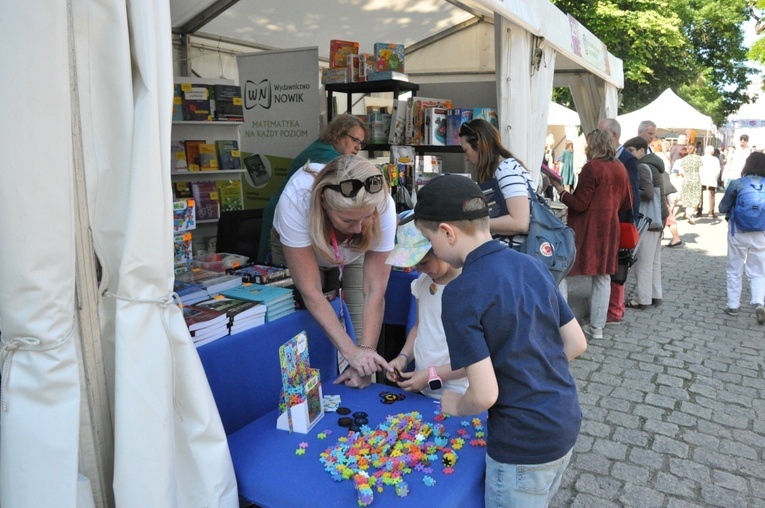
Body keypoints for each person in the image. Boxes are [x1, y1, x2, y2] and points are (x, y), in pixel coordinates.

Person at [411, 174, 587, 507]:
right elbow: (576, 343)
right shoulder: (531, 265)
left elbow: (484, 394)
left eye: (428, 239)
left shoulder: (461, 292)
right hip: (563, 420)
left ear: (447, 233)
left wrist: (453, 405)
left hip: (521, 445)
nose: (430, 248)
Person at [271, 155, 396, 388]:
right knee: (305, 324)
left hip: (351, 254)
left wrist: (365, 356)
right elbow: (310, 290)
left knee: (359, 328)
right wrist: (350, 353)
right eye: (348, 220)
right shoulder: (297, 198)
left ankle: (355, 380)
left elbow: (374, 290)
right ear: (324, 205)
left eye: (367, 217)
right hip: (302, 248)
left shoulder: (383, 204)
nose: (358, 228)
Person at [552, 129, 632, 339]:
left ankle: (564, 326)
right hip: (609, 228)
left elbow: (580, 204)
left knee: (563, 270)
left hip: (588, 229)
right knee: (603, 276)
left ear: (593, 145)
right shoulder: (620, 167)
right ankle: (597, 327)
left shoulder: (592, 168)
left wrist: (560, 190)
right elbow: (626, 202)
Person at [258, 114, 368, 262]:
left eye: (361, 143)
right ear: (338, 135)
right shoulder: (326, 156)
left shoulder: (324, 150)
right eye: (355, 140)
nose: (358, 147)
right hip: (286, 214)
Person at [384, 211, 468, 399]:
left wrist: (432, 375)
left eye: (423, 262)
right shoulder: (422, 283)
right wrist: (403, 357)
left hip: (460, 395)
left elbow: (476, 359)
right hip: (425, 390)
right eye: (414, 264)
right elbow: (419, 327)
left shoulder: (468, 288)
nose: (418, 269)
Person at [458, 119, 532, 249]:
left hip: (517, 252)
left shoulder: (506, 170)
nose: (466, 157)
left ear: (479, 145)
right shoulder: (501, 170)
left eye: (466, 150)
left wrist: (475, 224)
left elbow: (521, 223)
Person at [598, 118, 639, 325]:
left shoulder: (627, 159)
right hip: (609, 222)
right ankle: (610, 308)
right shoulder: (613, 157)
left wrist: (627, 222)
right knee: (611, 266)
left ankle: (615, 310)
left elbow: (631, 197)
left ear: (613, 135)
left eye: (601, 132)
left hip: (620, 222)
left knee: (618, 266)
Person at [718, 151, 765, 325]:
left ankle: (733, 305)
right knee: (758, 271)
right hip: (761, 233)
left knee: (734, 268)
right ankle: (759, 302)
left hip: (738, 231)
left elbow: (723, 207)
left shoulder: (738, 184)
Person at [623, 136, 668, 309]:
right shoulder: (656, 164)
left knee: (643, 263)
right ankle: (656, 295)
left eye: (632, 150)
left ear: (642, 150)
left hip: (648, 220)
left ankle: (642, 299)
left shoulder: (642, 166)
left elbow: (648, 193)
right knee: (654, 262)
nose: (630, 154)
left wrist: (631, 193)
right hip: (659, 218)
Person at [651, 138, 682, 247]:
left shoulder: (656, 156)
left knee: (667, 213)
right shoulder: (664, 156)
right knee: (666, 211)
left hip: (659, 187)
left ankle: (676, 237)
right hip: (663, 186)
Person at [679, 144, 703, 224]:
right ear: (695, 149)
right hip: (695, 177)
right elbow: (701, 168)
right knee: (696, 197)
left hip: (687, 178)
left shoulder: (684, 159)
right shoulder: (698, 158)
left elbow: (681, 171)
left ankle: (688, 213)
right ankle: (689, 214)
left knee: (687, 196)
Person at [700, 145, 722, 218]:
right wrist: (716, 178)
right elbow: (718, 170)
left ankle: (699, 211)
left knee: (700, 195)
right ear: (712, 152)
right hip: (711, 178)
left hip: (701, 178)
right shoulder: (715, 159)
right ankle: (711, 212)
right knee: (712, 195)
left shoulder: (700, 158)